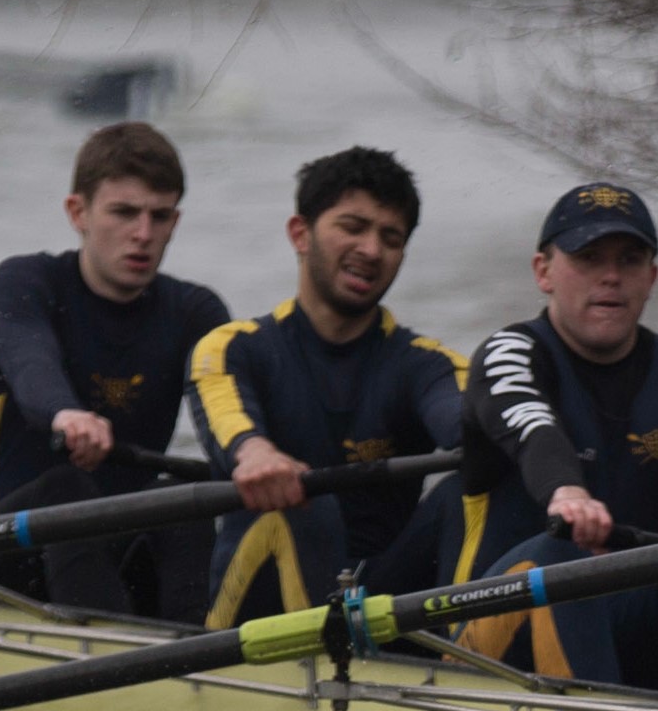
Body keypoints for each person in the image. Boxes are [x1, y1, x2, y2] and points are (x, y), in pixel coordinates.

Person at [418, 177, 658, 689]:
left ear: (652, 276)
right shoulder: (510, 354)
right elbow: (534, 428)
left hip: (622, 625)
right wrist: (566, 492)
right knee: (560, 558)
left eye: (629, 260)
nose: (611, 277)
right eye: (589, 258)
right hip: (490, 641)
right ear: (543, 271)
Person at [188, 146, 469, 623]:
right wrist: (255, 453)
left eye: (391, 236)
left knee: (469, 485)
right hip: (256, 619)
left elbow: (469, 418)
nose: (372, 250)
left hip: (376, 602)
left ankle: (462, 662)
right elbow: (232, 427)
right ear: (300, 234)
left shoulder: (430, 364)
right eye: (353, 227)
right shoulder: (233, 348)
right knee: (306, 505)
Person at [0, 120, 235, 620]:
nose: (143, 234)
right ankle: (110, 662)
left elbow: (231, 411)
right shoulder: (25, 282)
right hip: (2, 554)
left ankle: (193, 655)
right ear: (78, 212)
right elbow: (28, 358)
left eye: (160, 217)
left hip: (112, 558)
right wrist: (65, 414)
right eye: (124, 213)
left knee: (183, 500)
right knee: (67, 487)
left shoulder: (195, 313)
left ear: (175, 221)